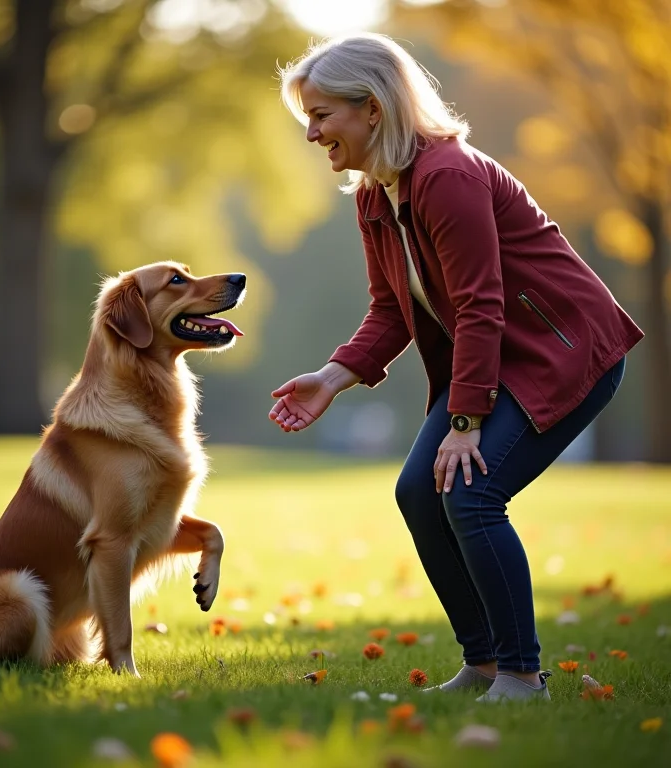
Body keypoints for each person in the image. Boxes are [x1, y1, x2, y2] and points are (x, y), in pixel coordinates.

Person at [269, 33, 644, 702]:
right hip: (495, 359)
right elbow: (390, 309)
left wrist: (466, 421)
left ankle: (523, 676)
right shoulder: (375, 195)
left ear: (374, 108)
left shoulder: (447, 176)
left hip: (560, 351)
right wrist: (331, 377)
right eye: (309, 118)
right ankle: (485, 665)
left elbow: (480, 306)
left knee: (470, 494)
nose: (312, 133)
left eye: (322, 115)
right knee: (419, 492)